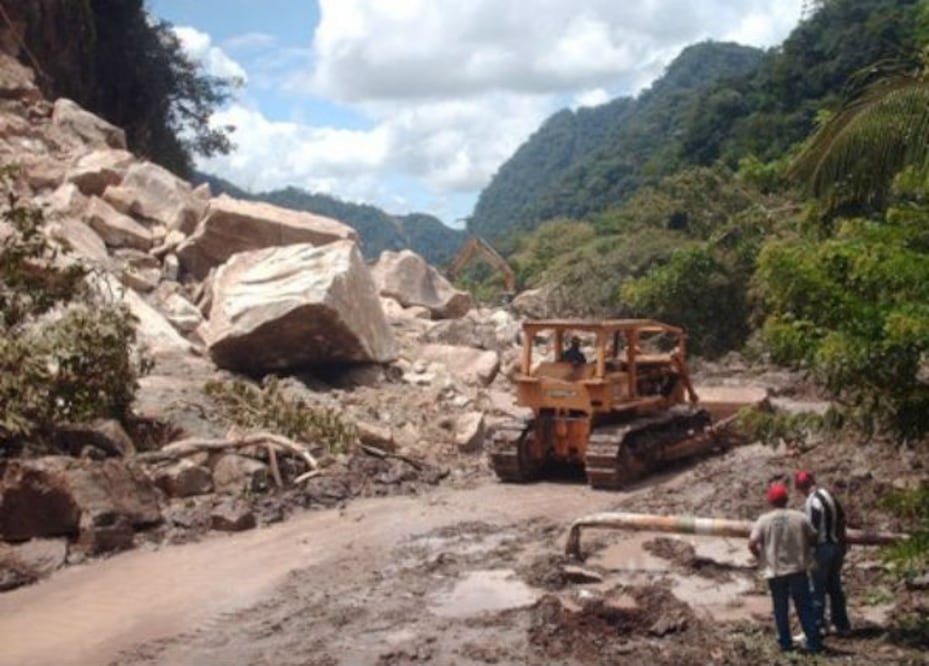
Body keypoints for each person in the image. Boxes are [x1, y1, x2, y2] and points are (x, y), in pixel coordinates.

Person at [749, 482, 822, 653]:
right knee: (804, 606)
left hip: (776, 572)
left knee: (780, 608)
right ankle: (813, 642)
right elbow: (814, 537)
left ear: (770, 501)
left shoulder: (764, 520)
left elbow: (752, 542)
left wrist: (761, 557)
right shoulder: (800, 517)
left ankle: (785, 643)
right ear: (787, 499)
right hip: (797, 569)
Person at [795, 470, 851, 637]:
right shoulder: (828, 495)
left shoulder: (812, 502)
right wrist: (842, 544)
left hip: (821, 549)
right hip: (835, 546)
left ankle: (816, 627)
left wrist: (807, 552)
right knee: (835, 588)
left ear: (800, 488)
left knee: (816, 589)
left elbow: (812, 531)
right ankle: (842, 625)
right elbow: (842, 519)